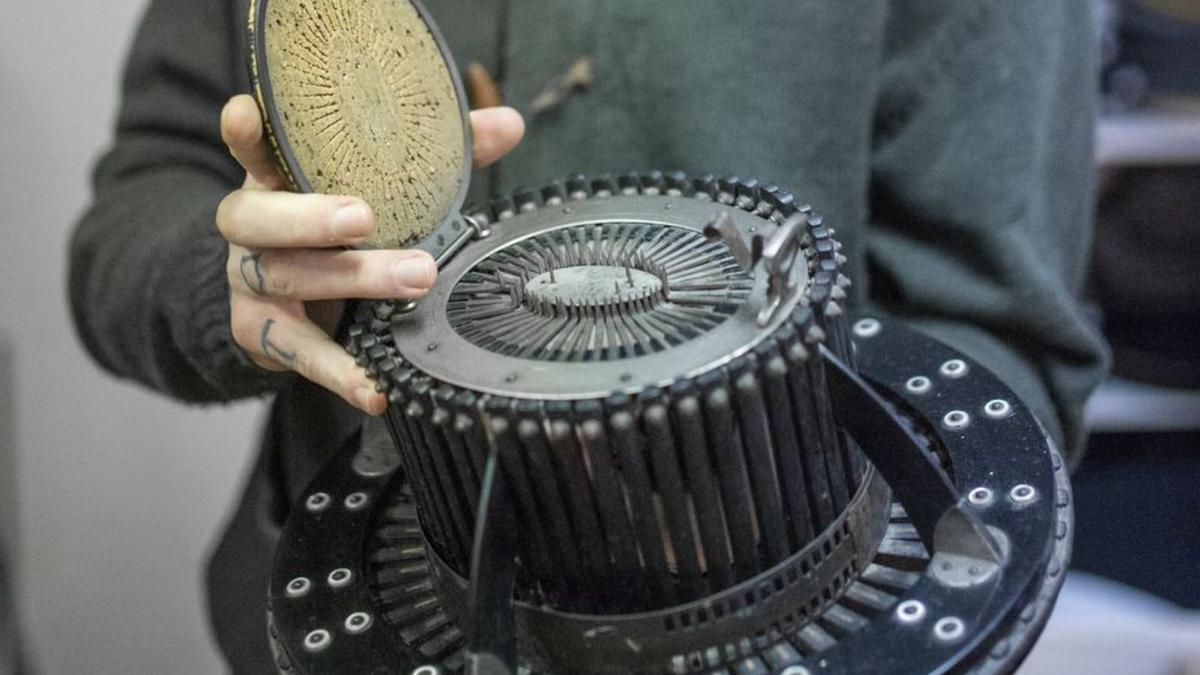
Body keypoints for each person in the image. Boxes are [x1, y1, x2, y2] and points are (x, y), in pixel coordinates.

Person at [70, 0, 1109, 670]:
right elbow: (129, 219)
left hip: (795, 616)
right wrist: (245, 281)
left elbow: (999, 336)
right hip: (374, 596)